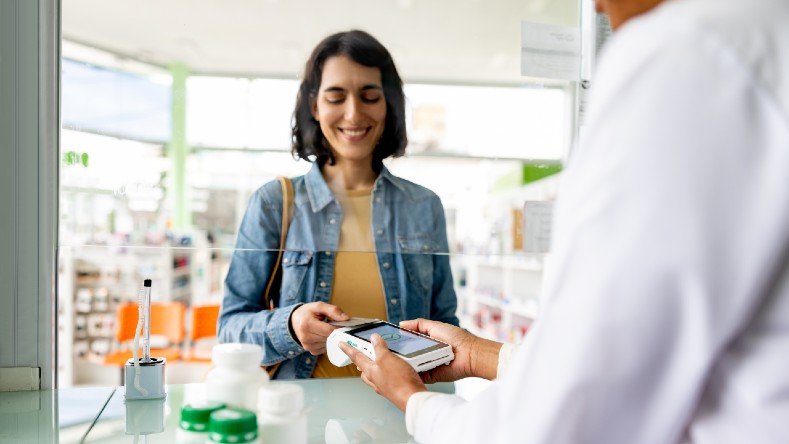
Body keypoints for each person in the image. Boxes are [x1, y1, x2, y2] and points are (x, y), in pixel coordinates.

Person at [341, 0, 789, 441]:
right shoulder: (760, 31)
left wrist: (414, 401)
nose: (596, 8)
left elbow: (568, 418)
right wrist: (481, 355)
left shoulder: (684, 53)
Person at [219, 30, 459, 380]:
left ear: (388, 104)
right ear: (314, 106)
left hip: (401, 418)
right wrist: (289, 325)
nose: (353, 112)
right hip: (303, 420)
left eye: (369, 96)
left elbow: (446, 326)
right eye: (336, 97)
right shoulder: (274, 203)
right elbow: (229, 328)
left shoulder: (423, 206)